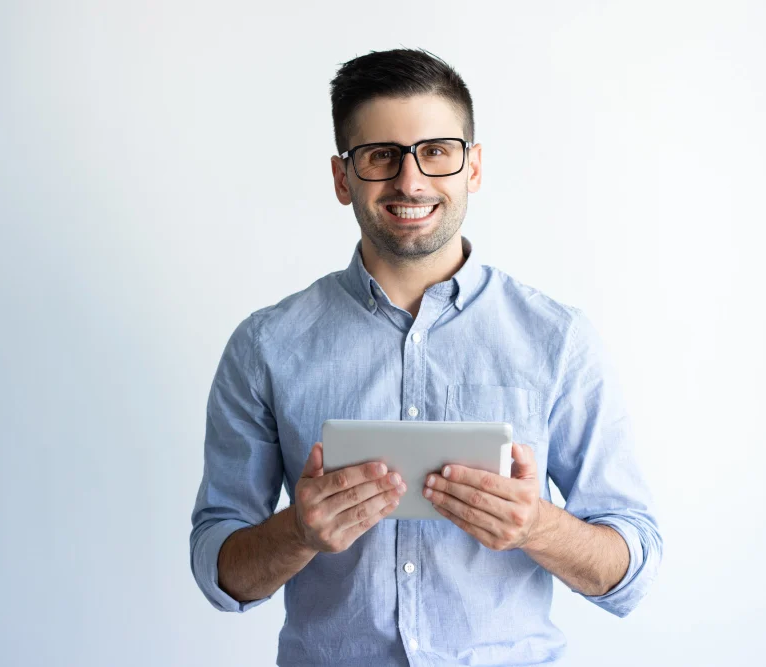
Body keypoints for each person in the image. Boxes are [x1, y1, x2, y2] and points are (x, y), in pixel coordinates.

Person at [189, 48, 662, 667]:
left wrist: (537, 526)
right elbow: (219, 571)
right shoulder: (265, 347)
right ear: (341, 178)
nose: (410, 181)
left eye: (436, 151)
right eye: (380, 155)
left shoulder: (559, 339)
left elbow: (632, 569)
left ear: (473, 167)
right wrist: (297, 533)